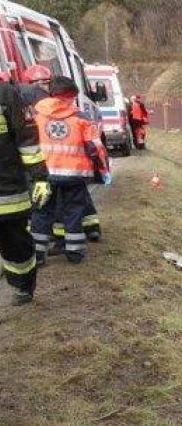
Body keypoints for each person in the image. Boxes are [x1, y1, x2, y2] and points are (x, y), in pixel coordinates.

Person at [32, 77, 111, 265]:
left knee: (42, 212)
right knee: (74, 211)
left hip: (44, 173)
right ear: (71, 96)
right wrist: (103, 170)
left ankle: (38, 255)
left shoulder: (36, 114)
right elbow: (95, 147)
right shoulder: (81, 118)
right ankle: (75, 253)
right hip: (75, 175)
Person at [0, 78, 49, 305]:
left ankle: (22, 286)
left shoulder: (7, 95)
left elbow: (28, 140)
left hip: (7, 190)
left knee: (15, 243)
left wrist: (40, 177)